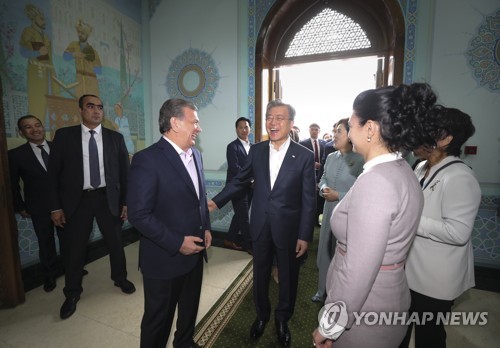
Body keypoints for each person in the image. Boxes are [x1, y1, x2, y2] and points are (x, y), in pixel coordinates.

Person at [312, 83, 437, 348]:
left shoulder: (376, 182)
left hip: (366, 311)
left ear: (369, 129)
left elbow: (358, 270)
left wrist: (330, 326)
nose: (349, 130)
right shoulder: (401, 168)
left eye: (353, 122)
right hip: (387, 295)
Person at [209, 99, 316, 347]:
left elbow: (308, 200)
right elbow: (239, 181)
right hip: (259, 225)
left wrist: (304, 235)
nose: (273, 122)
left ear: (291, 124)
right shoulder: (256, 151)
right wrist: (215, 202)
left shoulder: (303, 156)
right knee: (259, 275)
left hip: (289, 229)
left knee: (288, 277)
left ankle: (282, 319)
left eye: (279, 118)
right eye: (269, 117)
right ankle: (261, 315)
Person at [127, 98, 211, 348]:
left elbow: (199, 197)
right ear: (175, 123)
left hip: (195, 253)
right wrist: (177, 242)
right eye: (195, 122)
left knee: (188, 309)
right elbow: (138, 214)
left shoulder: (195, 154)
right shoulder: (147, 159)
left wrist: (205, 226)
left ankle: (184, 342)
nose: (199, 128)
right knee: (158, 320)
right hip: (164, 258)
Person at [400, 107, 481, 348]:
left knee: (429, 336)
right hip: (412, 270)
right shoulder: (421, 167)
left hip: (436, 280)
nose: (414, 137)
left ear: (445, 140)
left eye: (425, 131)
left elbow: (458, 232)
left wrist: (410, 219)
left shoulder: (459, 177)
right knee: (399, 329)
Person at [49, 94, 135, 320]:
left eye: (100, 107)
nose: (97, 111)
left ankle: (120, 278)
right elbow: (53, 175)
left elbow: (125, 175)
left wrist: (126, 202)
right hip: (77, 202)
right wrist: (55, 207)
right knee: (75, 249)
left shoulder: (115, 138)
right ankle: (72, 293)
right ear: (80, 110)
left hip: (108, 199)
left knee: (116, 243)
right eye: (90, 106)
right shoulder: (64, 136)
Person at [311, 118, 364, 303]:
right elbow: (323, 177)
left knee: (342, 256)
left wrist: (339, 195)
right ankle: (321, 289)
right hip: (328, 210)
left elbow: (363, 192)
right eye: (334, 131)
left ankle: (338, 295)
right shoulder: (332, 157)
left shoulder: (361, 160)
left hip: (349, 214)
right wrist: (323, 188)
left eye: (338, 131)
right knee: (324, 251)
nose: (334, 135)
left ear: (350, 135)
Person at [8, 115, 63, 292]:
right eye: (28, 127)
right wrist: (21, 206)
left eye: (37, 125)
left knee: (68, 240)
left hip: (64, 204)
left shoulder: (59, 149)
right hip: (38, 207)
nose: (35, 129)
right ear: (21, 132)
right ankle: (50, 276)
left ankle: (71, 268)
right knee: (45, 242)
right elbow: (12, 184)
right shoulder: (16, 155)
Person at [19, 4, 59, 121]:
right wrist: (37, 53)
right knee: (36, 99)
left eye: (44, 18)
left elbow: (49, 57)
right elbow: (23, 51)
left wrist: (53, 73)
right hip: (36, 72)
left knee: (49, 99)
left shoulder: (46, 37)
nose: (44, 21)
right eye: (41, 18)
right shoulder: (28, 32)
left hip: (47, 72)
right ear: (34, 19)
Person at [224, 116, 253, 253]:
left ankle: (229, 239)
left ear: (250, 129)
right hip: (237, 188)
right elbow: (235, 168)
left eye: (246, 127)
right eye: (240, 127)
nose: (243, 129)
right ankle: (250, 246)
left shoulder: (254, 147)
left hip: (251, 187)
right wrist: (251, 180)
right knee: (244, 217)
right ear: (236, 129)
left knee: (241, 214)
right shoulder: (232, 146)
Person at [63, 19, 102, 97]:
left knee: (91, 103)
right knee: (80, 103)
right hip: (80, 79)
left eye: (82, 33)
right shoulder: (74, 45)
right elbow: (65, 56)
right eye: (78, 32)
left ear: (87, 35)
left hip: (91, 81)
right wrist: (74, 54)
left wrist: (89, 62)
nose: (80, 34)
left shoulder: (93, 52)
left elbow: (99, 70)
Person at [300, 123, 327, 225]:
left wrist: (321, 165)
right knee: (308, 196)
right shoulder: (303, 143)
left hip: (322, 173)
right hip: (308, 173)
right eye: (312, 129)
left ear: (319, 131)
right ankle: (308, 218)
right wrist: (312, 164)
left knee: (319, 197)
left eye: (316, 129)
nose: (314, 131)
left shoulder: (324, 144)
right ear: (309, 130)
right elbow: (301, 159)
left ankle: (317, 219)